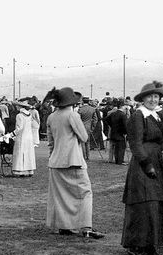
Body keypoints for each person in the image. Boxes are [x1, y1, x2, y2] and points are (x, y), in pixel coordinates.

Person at [45, 87, 104, 239]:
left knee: (61, 196)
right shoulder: (72, 115)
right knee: (85, 193)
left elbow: (50, 143)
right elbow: (84, 137)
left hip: (56, 162)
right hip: (73, 160)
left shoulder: (51, 117)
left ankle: (64, 226)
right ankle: (86, 228)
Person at [122, 82, 163, 255]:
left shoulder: (156, 116)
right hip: (142, 165)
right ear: (142, 99)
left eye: (156, 96)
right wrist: (147, 165)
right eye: (149, 96)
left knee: (155, 202)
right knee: (142, 203)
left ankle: (151, 242)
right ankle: (136, 244)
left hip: (156, 161)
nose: (153, 99)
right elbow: (135, 143)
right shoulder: (138, 115)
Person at [10, 98, 39, 177]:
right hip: (28, 137)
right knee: (28, 153)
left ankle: (20, 170)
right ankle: (29, 170)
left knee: (20, 152)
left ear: (20, 107)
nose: (16, 107)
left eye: (17, 106)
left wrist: (11, 134)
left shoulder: (19, 115)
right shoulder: (29, 115)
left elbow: (19, 128)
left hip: (21, 137)